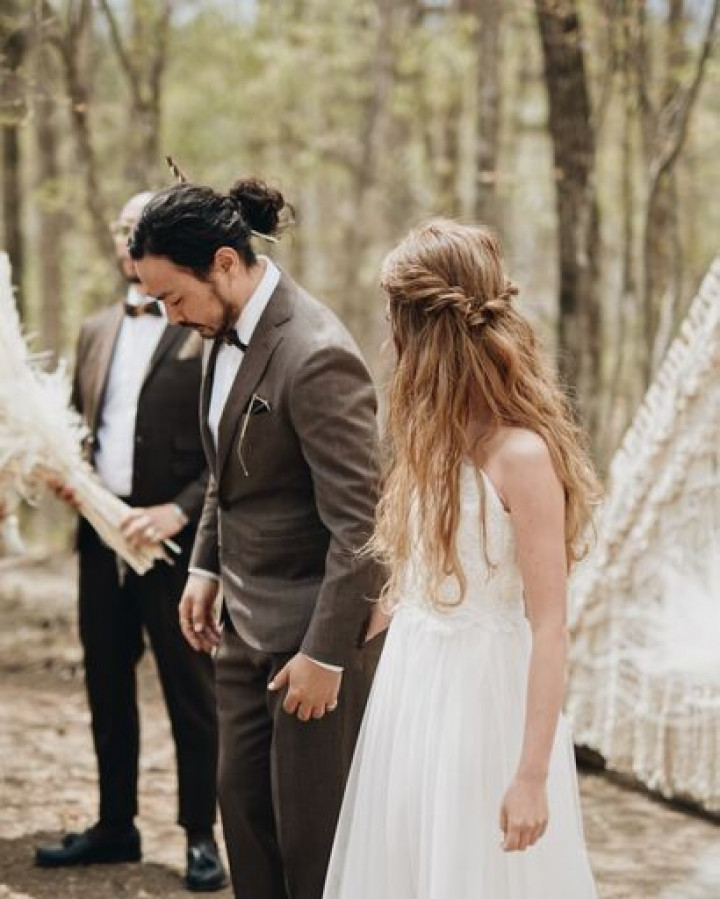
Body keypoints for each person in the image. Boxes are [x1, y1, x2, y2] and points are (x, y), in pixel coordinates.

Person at [323, 219, 600, 898]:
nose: (389, 336)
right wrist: (327, 645)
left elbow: (550, 625)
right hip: (412, 687)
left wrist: (532, 774)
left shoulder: (523, 456)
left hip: (485, 700)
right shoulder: (431, 445)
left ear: (423, 330)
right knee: (409, 859)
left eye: (395, 317)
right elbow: (412, 579)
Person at [129, 178, 385, 899]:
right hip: (240, 629)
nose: (172, 317)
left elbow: (361, 526)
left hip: (311, 642)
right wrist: (204, 567)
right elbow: (224, 474)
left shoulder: (317, 354)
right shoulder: (218, 334)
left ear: (224, 263)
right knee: (243, 816)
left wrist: (326, 654)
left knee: (312, 842)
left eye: (174, 297)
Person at [35, 192, 227, 893]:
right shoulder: (93, 330)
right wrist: (69, 478)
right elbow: (91, 427)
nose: (127, 240)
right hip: (98, 542)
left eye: (136, 229)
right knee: (106, 684)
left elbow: (222, 449)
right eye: (120, 229)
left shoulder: (203, 327)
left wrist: (179, 513)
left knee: (190, 691)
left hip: (175, 547)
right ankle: (115, 821)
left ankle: (202, 834)